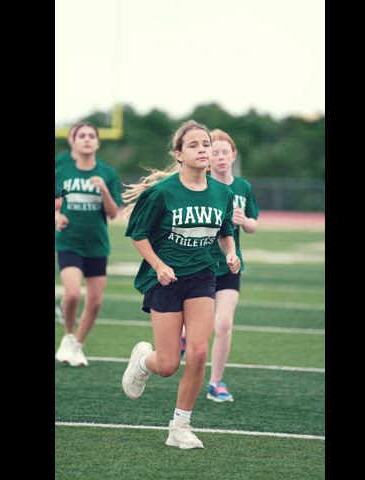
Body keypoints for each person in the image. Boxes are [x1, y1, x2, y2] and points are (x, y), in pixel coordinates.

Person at [120, 120, 240, 449]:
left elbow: (225, 230)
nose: (203, 149)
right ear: (179, 154)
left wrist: (231, 253)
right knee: (169, 364)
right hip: (166, 280)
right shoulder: (161, 193)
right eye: (195, 145)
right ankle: (143, 360)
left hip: (202, 276)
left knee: (199, 351)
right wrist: (159, 265)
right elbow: (138, 234)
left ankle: (180, 426)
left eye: (206, 144)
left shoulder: (223, 192)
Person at [54, 122, 122, 366]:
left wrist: (104, 190)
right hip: (69, 241)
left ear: (97, 142)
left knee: (95, 302)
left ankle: (78, 345)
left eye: (91, 135)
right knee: (72, 294)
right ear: (72, 141)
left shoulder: (107, 173)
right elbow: (56, 204)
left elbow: (114, 214)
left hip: (97, 245)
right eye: (81, 135)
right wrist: (57, 217)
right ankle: (68, 336)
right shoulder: (63, 172)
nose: (86, 139)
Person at [204, 129, 259, 402]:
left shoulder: (243, 188)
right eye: (215, 151)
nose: (221, 156)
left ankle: (216, 382)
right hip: (199, 264)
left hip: (230, 265)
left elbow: (253, 224)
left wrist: (243, 221)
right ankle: (181, 337)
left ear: (233, 155)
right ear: (208, 156)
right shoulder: (201, 185)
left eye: (225, 151)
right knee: (193, 326)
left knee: (223, 324)